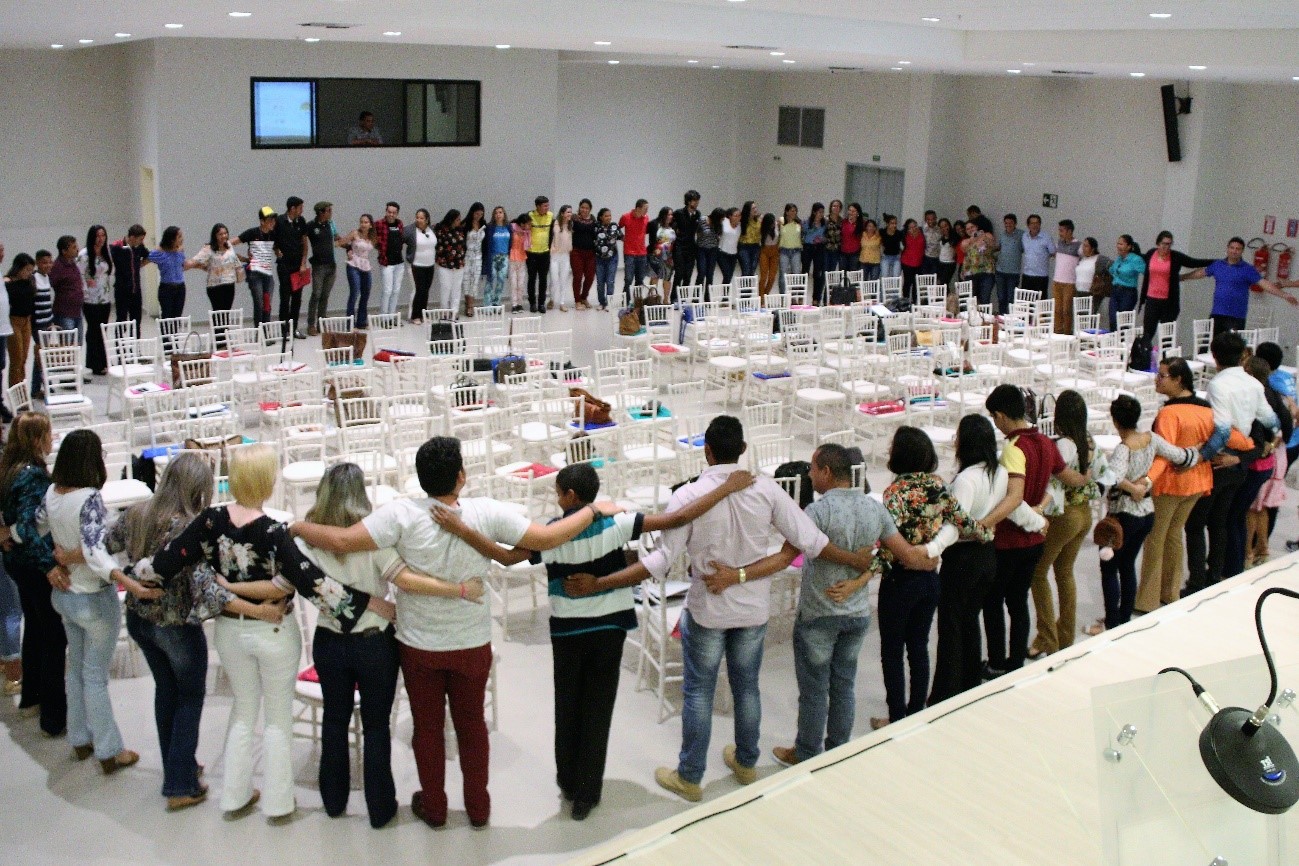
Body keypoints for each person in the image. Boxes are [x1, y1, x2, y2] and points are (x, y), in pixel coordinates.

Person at [290, 436, 630, 829]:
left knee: (428, 730)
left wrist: (299, 524)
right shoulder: (485, 512)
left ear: (420, 479)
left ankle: (434, 808)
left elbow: (342, 540)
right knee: (471, 727)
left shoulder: (400, 515)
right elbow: (547, 537)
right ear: (461, 477)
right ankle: (478, 808)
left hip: (419, 646)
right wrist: (591, 511)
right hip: (471, 642)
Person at [562, 416, 887, 803]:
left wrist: (600, 583)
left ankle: (690, 776)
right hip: (753, 608)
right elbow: (810, 541)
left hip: (708, 608)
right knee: (747, 686)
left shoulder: (688, 497)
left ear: (707, 450)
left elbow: (661, 561)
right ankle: (747, 761)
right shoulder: (765, 489)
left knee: (699, 692)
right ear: (744, 450)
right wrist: (854, 560)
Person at [434, 462, 755, 819]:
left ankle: (568, 782)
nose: (556, 500)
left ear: (570, 496)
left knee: (567, 706)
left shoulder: (552, 534)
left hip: (568, 632)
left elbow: (507, 558)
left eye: (558, 493)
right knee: (597, 710)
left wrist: (461, 529)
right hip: (609, 631)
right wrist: (725, 488)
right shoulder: (618, 523)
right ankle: (588, 793)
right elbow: (677, 519)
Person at [142, 445, 393, 820]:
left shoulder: (209, 521)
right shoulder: (275, 531)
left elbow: (166, 560)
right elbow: (311, 583)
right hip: (274, 632)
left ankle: (234, 795)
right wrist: (370, 603)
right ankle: (278, 802)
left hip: (229, 632)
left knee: (242, 711)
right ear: (267, 481)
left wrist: (138, 578)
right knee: (277, 718)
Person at [272, 463, 481, 827]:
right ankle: (380, 809)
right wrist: (458, 590)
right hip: (375, 643)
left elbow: (289, 585)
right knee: (376, 725)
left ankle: (334, 802)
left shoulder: (306, 539)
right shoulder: (373, 534)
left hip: (329, 642)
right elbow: (405, 579)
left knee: (334, 721)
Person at [699, 444, 933, 766]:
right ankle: (838, 748)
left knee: (813, 690)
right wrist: (935, 553)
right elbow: (905, 555)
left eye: (812, 468)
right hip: (856, 613)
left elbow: (784, 558)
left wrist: (736, 575)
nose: (809, 474)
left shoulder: (816, 513)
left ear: (825, 471)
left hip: (819, 614)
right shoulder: (874, 509)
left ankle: (807, 753)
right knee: (844, 686)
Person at [96, 452, 281, 810]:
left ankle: (177, 769)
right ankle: (180, 785)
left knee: (166, 692)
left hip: (139, 620)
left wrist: (127, 578)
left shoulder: (137, 512)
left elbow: (103, 545)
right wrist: (259, 609)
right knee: (190, 698)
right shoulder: (190, 528)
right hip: (176, 626)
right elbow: (209, 590)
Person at [26, 430, 151, 774]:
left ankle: (80, 737)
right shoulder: (90, 498)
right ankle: (110, 749)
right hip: (93, 599)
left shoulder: (52, 492)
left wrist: (57, 560)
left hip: (64, 596)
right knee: (95, 675)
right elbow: (97, 554)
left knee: (77, 669)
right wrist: (129, 584)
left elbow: (33, 528)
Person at [869, 427, 993, 727]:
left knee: (893, 652)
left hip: (900, 580)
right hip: (931, 578)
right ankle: (916, 712)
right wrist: (985, 533)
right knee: (919, 646)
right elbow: (962, 519)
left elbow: (888, 539)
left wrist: (866, 574)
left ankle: (896, 716)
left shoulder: (895, 493)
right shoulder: (938, 485)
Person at [926, 416, 1044, 703]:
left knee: (951, 627)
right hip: (987, 558)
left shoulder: (967, 479)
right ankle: (968, 683)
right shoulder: (998, 472)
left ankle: (944, 695)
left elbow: (956, 525)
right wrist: (1037, 522)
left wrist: (931, 549)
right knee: (969, 621)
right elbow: (1014, 507)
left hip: (962, 559)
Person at [981, 385, 1079, 676]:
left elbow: (1013, 498)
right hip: (1035, 540)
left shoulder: (1014, 449)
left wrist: (982, 524)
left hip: (1009, 540)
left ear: (1000, 415)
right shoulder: (1046, 442)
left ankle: (998, 661)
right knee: (1019, 601)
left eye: (994, 418)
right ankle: (1015, 662)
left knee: (994, 602)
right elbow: (1068, 477)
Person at [1185, 331, 1278, 594]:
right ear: (1242, 356)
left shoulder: (1219, 386)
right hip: (1240, 461)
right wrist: (1259, 447)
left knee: (1196, 523)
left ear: (1214, 357)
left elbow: (1223, 429)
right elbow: (1271, 421)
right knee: (1221, 519)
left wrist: (1201, 457)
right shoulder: (1254, 384)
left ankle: (1197, 582)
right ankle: (1215, 574)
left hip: (1218, 460)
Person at [1134, 358, 1216, 614]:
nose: (1157, 380)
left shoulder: (1169, 413)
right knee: (1174, 535)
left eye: (1162, 376)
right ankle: (1170, 593)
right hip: (1197, 482)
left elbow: (1163, 453)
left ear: (1178, 379)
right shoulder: (1206, 409)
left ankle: (1147, 600)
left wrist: (1146, 480)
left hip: (1170, 483)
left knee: (1156, 539)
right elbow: (1224, 436)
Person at [0, 413, 65, 736]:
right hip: (32, 565)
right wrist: (49, 565)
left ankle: (31, 699)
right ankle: (54, 717)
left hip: (15, 563)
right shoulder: (33, 477)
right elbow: (27, 527)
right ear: (38, 439)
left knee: (36, 628)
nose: (53, 439)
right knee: (53, 634)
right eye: (49, 434)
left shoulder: (9, 469)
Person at [1029, 390, 1106, 658]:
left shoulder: (1064, 444)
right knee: (1064, 572)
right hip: (1083, 513)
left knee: (1038, 573)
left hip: (1064, 515)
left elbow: (1054, 477)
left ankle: (1047, 637)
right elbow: (1100, 474)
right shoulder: (1089, 440)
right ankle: (1064, 636)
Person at [1085, 396, 1157, 635]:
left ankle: (1112, 623)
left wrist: (1132, 487)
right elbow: (1174, 455)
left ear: (1116, 421)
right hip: (1147, 513)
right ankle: (1124, 618)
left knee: (1109, 568)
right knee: (1128, 566)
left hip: (1123, 516)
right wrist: (1145, 483)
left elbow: (1113, 476)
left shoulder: (1123, 448)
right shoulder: (1150, 439)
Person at [1182, 236, 1297, 336]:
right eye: (1232, 248)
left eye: (1238, 249)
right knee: (1209, 347)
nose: (1234, 251)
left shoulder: (1247, 269)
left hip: (1236, 316)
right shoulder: (1218, 265)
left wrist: (1284, 295)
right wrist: (1181, 278)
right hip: (1217, 313)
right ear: (1227, 249)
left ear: (1242, 251)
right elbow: (1200, 273)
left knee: (1232, 349)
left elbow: (1265, 284)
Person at [1254, 342, 1299, 545]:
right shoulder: (1287, 377)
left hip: (1281, 445)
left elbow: (1290, 411)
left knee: (1264, 499)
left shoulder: (1271, 383)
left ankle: (1256, 544)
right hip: (1292, 442)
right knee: (1269, 496)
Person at [1136, 230, 1211, 337]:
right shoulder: (1151, 253)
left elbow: (1193, 262)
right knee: (1147, 332)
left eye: (1169, 244)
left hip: (1169, 302)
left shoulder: (1176, 256)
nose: (1166, 247)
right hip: (1152, 299)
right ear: (1158, 243)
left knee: (1166, 335)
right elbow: (1143, 257)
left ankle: (1166, 353)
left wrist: (1215, 261)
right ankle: (1146, 352)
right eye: (1164, 244)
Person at [78, 225, 113, 376]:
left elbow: (110, 271)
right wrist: (86, 289)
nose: (101, 239)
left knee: (103, 330)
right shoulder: (84, 254)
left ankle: (103, 362)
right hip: (90, 299)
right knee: (94, 330)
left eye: (103, 236)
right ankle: (94, 364)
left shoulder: (106, 253)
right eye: (98, 236)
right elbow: (79, 275)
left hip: (105, 298)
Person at [235, 207, 278, 326]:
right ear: (262, 221)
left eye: (273, 220)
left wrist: (277, 251)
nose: (272, 223)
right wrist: (241, 258)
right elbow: (233, 242)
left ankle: (266, 332)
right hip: (255, 274)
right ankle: (258, 332)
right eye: (269, 220)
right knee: (259, 303)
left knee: (267, 303)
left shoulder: (273, 234)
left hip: (267, 274)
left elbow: (275, 247)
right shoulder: (252, 233)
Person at [274, 197, 310, 339]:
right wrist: (276, 250)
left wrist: (303, 263)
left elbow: (305, 243)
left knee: (297, 298)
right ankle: (284, 330)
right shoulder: (279, 221)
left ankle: (294, 328)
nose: (302, 210)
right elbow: (273, 240)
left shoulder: (301, 221)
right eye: (300, 207)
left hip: (297, 267)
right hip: (284, 265)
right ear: (292, 208)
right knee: (285, 297)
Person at [188, 223, 242, 318]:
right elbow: (196, 260)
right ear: (215, 236)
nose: (224, 236)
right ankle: (218, 332)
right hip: (215, 286)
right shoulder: (208, 248)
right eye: (220, 234)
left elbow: (234, 260)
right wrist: (187, 265)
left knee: (226, 313)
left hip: (229, 284)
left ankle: (224, 332)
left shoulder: (229, 246)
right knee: (218, 314)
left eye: (225, 233)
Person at [149, 227, 199, 321]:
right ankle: (166, 336)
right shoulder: (160, 253)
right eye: (179, 237)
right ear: (171, 239)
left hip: (180, 287)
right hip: (166, 287)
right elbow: (148, 257)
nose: (182, 239)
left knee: (177, 317)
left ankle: (175, 335)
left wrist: (198, 265)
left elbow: (182, 265)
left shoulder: (180, 251)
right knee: (167, 317)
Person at [305, 202, 338, 336]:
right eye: (328, 211)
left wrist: (349, 243)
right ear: (321, 212)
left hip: (331, 265)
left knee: (325, 295)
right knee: (316, 294)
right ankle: (311, 324)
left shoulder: (331, 225)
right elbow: (302, 239)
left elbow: (337, 238)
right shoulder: (311, 226)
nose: (331, 213)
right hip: (319, 266)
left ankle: (321, 322)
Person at [4, 253, 34, 397]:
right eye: (26, 270)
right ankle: (15, 392)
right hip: (13, 321)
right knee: (16, 358)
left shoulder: (29, 281)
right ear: (18, 268)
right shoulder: (8, 282)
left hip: (26, 321)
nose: (29, 273)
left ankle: (22, 389)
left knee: (24, 358)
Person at [338, 213, 375, 328]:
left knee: (366, 293)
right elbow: (341, 242)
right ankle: (350, 323)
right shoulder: (355, 233)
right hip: (354, 264)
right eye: (362, 222)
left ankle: (361, 321)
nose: (363, 224)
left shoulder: (372, 237)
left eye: (366, 222)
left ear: (370, 225)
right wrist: (349, 249)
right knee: (355, 292)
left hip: (365, 265)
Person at [109, 224, 149, 328]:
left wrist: (140, 265)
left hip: (136, 289)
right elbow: (109, 259)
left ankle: (136, 342)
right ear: (132, 238)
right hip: (122, 289)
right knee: (121, 319)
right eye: (140, 239)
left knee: (137, 320)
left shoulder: (140, 247)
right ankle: (120, 342)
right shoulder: (117, 246)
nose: (141, 241)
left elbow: (148, 256)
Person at [50, 234, 86, 341]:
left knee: (78, 344)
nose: (77, 249)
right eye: (74, 247)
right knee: (67, 347)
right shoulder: (57, 267)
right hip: (64, 314)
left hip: (77, 311)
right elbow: (51, 282)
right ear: (64, 251)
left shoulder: (73, 264)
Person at [373, 201, 406, 318]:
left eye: (394, 213)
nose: (391, 214)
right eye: (389, 212)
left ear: (397, 214)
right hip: (386, 262)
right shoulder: (379, 224)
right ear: (386, 212)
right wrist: (379, 247)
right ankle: (383, 317)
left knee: (396, 291)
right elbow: (372, 238)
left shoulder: (399, 224)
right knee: (387, 290)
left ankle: (391, 316)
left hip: (399, 262)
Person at [432, 209, 467, 317]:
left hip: (459, 264)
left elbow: (463, 245)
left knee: (456, 289)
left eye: (459, 219)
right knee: (445, 288)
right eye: (457, 220)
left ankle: (454, 311)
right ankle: (444, 312)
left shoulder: (460, 230)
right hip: (445, 265)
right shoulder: (441, 229)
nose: (459, 222)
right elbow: (438, 246)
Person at [403, 207, 436, 322]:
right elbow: (399, 240)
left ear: (427, 219)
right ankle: (414, 315)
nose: (419, 220)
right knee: (418, 290)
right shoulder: (409, 230)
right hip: (416, 265)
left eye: (421, 218)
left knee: (426, 290)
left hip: (430, 265)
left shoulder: (432, 230)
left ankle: (423, 312)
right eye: (417, 217)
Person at [1050, 219, 1081, 334]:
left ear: (1069, 231)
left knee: (1066, 310)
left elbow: (1082, 261)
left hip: (1069, 282)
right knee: (1057, 310)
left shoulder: (1078, 246)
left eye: (1062, 231)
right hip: (1057, 281)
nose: (1060, 233)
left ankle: (1067, 333)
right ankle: (1057, 332)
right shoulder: (1059, 243)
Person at [31, 250, 54, 398]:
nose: (48, 265)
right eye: (44, 262)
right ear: (38, 263)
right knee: (40, 356)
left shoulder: (47, 278)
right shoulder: (34, 279)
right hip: (38, 324)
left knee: (43, 356)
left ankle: (42, 385)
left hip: (47, 322)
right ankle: (37, 387)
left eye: (49, 262)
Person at [619, 199, 651, 301]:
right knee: (628, 278)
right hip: (629, 253)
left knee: (640, 279)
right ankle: (626, 300)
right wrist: (622, 237)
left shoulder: (646, 218)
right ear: (638, 208)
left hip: (642, 253)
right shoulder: (626, 217)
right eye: (645, 209)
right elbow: (617, 228)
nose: (646, 211)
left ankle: (637, 301)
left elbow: (644, 231)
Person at [961, 222, 999, 306]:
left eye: (972, 227)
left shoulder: (987, 235)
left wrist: (983, 237)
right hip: (971, 273)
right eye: (968, 229)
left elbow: (993, 246)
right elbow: (964, 249)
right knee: (971, 299)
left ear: (977, 227)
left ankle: (985, 317)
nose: (970, 229)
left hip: (987, 272)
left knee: (985, 299)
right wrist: (974, 239)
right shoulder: (965, 241)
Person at [527, 195, 554, 313]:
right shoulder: (530, 216)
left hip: (545, 252)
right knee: (532, 279)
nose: (547, 208)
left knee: (543, 279)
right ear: (537, 206)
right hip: (531, 253)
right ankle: (532, 303)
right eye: (544, 206)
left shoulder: (550, 215)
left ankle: (541, 303)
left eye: (548, 205)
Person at [482, 206, 511, 310]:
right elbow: (486, 244)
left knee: (501, 280)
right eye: (496, 213)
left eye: (500, 212)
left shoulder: (508, 227)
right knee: (491, 278)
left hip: (504, 257)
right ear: (493, 215)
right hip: (493, 257)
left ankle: (496, 302)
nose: (498, 215)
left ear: (504, 214)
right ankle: (487, 304)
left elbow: (510, 242)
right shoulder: (490, 228)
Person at [592, 208, 621, 312]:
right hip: (599, 258)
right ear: (601, 217)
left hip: (612, 257)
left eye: (610, 215)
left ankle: (609, 302)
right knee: (600, 282)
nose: (608, 217)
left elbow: (621, 237)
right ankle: (601, 302)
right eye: (606, 216)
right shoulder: (596, 226)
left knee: (610, 281)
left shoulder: (614, 226)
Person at [461, 202, 486, 318]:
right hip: (467, 256)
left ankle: (471, 305)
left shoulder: (483, 224)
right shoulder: (465, 224)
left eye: (481, 214)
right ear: (472, 212)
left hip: (478, 257)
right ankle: (467, 304)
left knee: (474, 282)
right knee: (466, 281)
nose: (478, 216)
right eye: (477, 213)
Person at [994, 214, 1024, 314]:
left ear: (1015, 223)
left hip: (1013, 272)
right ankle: (1002, 318)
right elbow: (999, 248)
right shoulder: (1002, 235)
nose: (1008, 225)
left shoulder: (1021, 235)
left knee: (1011, 298)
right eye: (1006, 223)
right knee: (1001, 297)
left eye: (1010, 223)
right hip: (1000, 271)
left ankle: (1010, 319)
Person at [570, 199, 597, 310]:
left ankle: (584, 297)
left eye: (587, 208)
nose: (584, 210)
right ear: (579, 208)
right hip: (576, 252)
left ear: (590, 209)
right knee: (578, 276)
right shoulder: (574, 219)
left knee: (590, 277)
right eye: (582, 207)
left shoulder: (593, 220)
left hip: (590, 252)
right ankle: (577, 301)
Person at [1073, 237, 1111, 314]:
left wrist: (1103, 282)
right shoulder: (1082, 259)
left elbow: (1111, 267)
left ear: (1093, 248)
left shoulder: (1100, 259)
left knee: (1090, 316)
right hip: (1079, 291)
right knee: (1080, 316)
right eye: (1083, 246)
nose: (1083, 248)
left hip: (1092, 292)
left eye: (1086, 246)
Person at [1019, 214, 1052, 299]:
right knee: (1026, 302)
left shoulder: (1046, 237)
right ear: (1028, 225)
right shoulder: (1024, 236)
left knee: (1040, 303)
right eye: (1032, 223)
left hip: (1041, 276)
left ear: (1040, 224)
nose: (1035, 225)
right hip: (1027, 274)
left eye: (1037, 223)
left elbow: (1052, 252)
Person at [673, 190, 701, 288]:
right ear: (688, 201)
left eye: (697, 201)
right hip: (679, 246)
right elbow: (672, 227)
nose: (697, 203)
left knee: (688, 274)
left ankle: (683, 299)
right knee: (679, 273)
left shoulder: (697, 214)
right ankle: (674, 298)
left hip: (691, 246)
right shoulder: (678, 213)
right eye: (694, 201)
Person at [548, 204, 573, 311]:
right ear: (562, 213)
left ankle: (562, 302)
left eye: (570, 212)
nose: (569, 214)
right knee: (554, 280)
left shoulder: (571, 225)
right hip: (554, 255)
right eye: (567, 212)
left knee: (563, 280)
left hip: (565, 256)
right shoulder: (554, 223)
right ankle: (552, 299)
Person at [802, 202, 827, 303]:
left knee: (818, 273)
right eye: (819, 212)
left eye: (822, 212)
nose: (821, 214)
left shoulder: (825, 223)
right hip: (808, 247)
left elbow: (827, 236)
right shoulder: (807, 222)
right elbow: (802, 235)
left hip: (819, 248)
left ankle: (816, 298)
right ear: (814, 212)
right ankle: (800, 297)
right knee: (805, 271)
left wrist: (823, 239)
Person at [648, 207, 675, 295]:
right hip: (656, 255)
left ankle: (666, 299)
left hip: (668, 256)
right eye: (669, 214)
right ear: (663, 215)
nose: (671, 216)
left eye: (671, 214)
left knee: (667, 278)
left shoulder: (673, 225)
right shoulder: (654, 224)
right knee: (654, 277)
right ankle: (653, 298)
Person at [508, 212, 531, 313]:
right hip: (512, 257)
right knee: (513, 283)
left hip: (522, 258)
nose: (529, 226)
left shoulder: (527, 232)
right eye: (527, 224)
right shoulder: (512, 228)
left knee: (521, 283)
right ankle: (514, 304)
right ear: (522, 223)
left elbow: (528, 245)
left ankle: (520, 304)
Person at [696, 206, 721, 293]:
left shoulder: (718, 224)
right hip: (702, 249)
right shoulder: (702, 219)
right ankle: (696, 297)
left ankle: (708, 297)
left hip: (713, 249)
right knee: (701, 273)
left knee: (710, 274)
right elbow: (697, 231)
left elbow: (719, 236)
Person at [900, 218, 927, 301]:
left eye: (915, 226)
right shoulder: (904, 235)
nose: (913, 229)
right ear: (907, 229)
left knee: (916, 284)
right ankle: (905, 302)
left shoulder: (922, 233)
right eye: (911, 228)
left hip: (919, 263)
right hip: (907, 262)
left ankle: (915, 302)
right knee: (907, 283)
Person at [778, 203, 802, 292]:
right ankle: (783, 296)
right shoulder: (781, 221)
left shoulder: (799, 223)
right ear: (787, 212)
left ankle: (794, 296)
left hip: (796, 250)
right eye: (792, 211)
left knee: (796, 274)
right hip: (784, 250)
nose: (794, 213)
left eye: (795, 211)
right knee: (783, 274)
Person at [757, 212, 779, 302]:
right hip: (764, 251)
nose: (773, 224)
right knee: (764, 276)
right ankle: (761, 298)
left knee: (772, 277)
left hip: (775, 251)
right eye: (771, 223)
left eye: (774, 222)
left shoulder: (777, 225)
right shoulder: (761, 228)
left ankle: (766, 294)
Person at [716, 207, 740, 289]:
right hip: (722, 252)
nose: (738, 217)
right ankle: (725, 296)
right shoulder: (724, 222)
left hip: (733, 254)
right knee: (727, 274)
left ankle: (725, 297)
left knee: (729, 276)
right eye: (735, 215)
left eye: (739, 215)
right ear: (730, 216)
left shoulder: (740, 226)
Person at [737, 200, 761, 277]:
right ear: (748, 210)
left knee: (752, 270)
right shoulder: (742, 221)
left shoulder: (759, 220)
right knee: (746, 270)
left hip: (756, 246)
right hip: (744, 247)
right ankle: (744, 289)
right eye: (753, 208)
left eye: (755, 208)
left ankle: (749, 289)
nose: (755, 210)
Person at [879, 214, 903, 280]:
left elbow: (903, 245)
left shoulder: (899, 233)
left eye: (895, 223)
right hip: (886, 257)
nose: (894, 225)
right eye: (892, 223)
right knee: (884, 277)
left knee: (896, 277)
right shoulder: (882, 232)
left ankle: (895, 290)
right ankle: (883, 290)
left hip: (896, 258)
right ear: (887, 224)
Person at [859, 219, 882, 284]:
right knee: (862, 281)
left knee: (873, 282)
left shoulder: (878, 236)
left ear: (875, 228)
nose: (870, 228)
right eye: (869, 226)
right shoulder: (862, 235)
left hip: (875, 262)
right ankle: (863, 294)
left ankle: (873, 294)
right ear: (866, 227)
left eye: (872, 226)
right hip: (863, 261)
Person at [921, 210, 942, 276]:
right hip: (926, 257)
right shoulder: (922, 229)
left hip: (937, 257)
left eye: (933, 219)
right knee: (924, 278)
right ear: (925, 220)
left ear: (936, 218)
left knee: (933, 279)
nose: (931, 221)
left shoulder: (940, 228)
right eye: (928, 219)